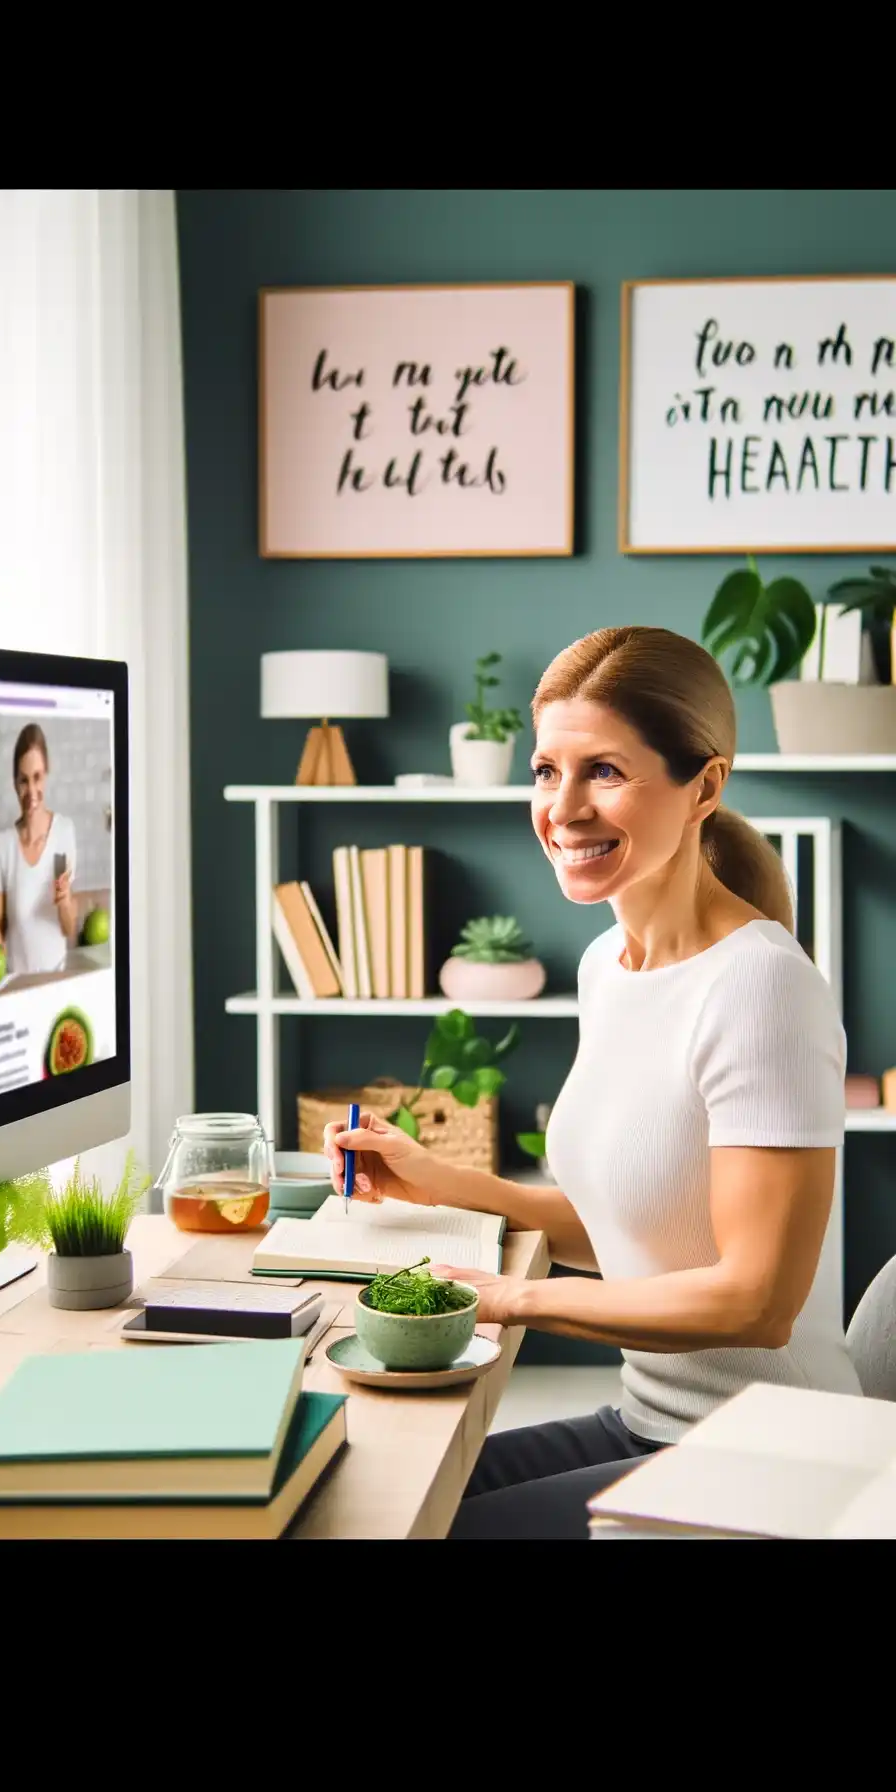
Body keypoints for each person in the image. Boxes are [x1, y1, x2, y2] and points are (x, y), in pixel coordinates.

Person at [324, 625, 862, 1540]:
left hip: (781, 1454)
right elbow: (644, 1231)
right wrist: (440, 1180)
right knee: (363, 1497)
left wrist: (509, 1299)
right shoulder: (609, 966)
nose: (563, 809)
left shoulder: (762, 987)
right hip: (655, 1423)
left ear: (705, 786)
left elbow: (757, 1302)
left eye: (605, 771)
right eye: (546, 771)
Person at [0, 723, 78, 988]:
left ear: (47, 774)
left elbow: (68, 929)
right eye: (23, 780)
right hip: (15, 982)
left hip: (55, 977)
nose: (31, 791)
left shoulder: (64, 833)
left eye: (37, 777)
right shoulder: (3, 845)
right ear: (14, 782)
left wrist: (65, 901)